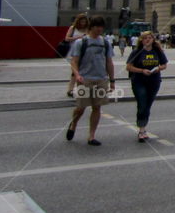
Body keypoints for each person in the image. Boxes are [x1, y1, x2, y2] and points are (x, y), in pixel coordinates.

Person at [66, 15, 115, 146]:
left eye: (101, 27)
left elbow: (109, 62)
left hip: (101, 79)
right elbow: (74, 61)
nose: (99, 29)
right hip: (85, 79)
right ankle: (74, 123)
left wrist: (112, 80)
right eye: (97, 27)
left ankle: (91, 136)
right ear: (91, 27)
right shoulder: (81, 42)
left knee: (97, 107)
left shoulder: (105, 43)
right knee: (81, 108)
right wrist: (77, 74)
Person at [126, 31, 168, 142]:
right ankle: (141, 130)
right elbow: (128, 67)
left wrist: (158, 69)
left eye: (150, 38)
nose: (147, 40)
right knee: (142, 103)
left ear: (153, 40)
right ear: (141, 40)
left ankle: (143, 127)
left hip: (154, 81)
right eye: (145, 38)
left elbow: (164, 65)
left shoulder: (157, 51)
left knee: (147, 105)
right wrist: (141, 70)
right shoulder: (136, 52)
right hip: (139, 81)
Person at [64, 14, 89, 98]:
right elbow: (67, 38)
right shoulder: (73, 28)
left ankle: (78, 89)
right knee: (75, 71)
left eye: (84, 22)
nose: (83, 23)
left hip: (84, 52)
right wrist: (78, 37)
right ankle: (71, 89)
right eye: (81, 21)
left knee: (81, 71)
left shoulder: (87, 29)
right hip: (73, 52)